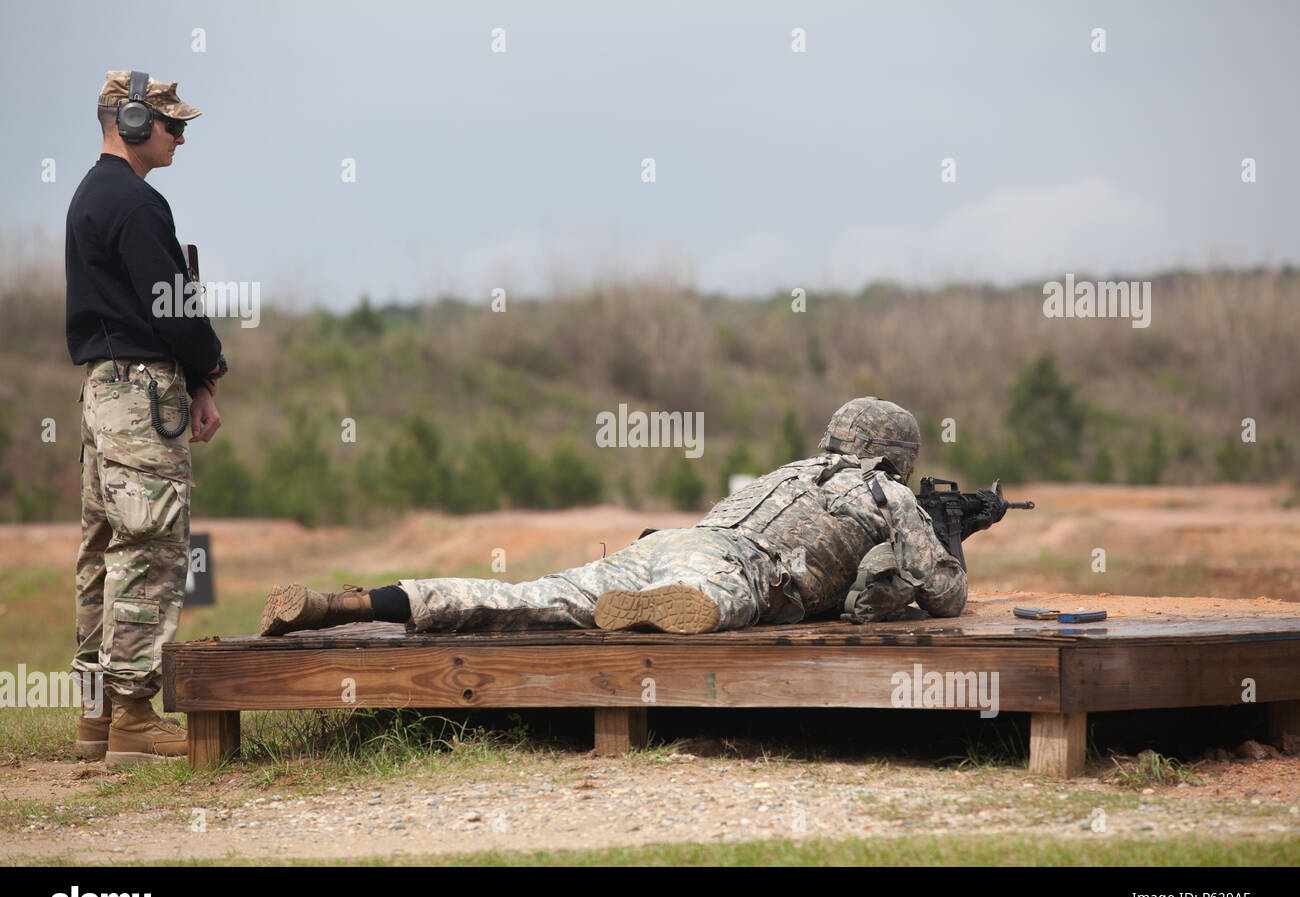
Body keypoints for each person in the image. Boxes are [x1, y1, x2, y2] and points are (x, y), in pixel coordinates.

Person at [260, 398, 967, 637]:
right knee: (720, 600)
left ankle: (342, 603)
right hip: (731, 566)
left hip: (676, 541)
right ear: (899, 454)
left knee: (522, 598)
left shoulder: (789, 470)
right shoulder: (889, 497)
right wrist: (951, 539)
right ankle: (672, 611)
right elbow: (943, 594)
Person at [68, 70, 227, 766]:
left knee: (103, 551)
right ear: (131, 123)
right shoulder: (137, 203)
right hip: (141, 397)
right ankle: (134, 718)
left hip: (103, 392)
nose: (181, 138)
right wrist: (205, 376)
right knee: (151, 549)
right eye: (172, 125)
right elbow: (175, 313)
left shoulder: (88, 196)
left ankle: (96, 720)